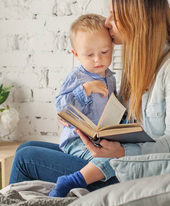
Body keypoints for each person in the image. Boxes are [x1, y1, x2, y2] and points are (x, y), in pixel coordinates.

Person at [9, 0, 170, 195]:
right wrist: (79, 118)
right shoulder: (139, 66)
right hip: (117, 162)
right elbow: (120, 125)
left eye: (115, 15)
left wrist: (122, 151)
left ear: (137, 20)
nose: (107, 23)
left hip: (144, 174)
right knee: (25, 148)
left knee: (25, 159)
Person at [49, 14, 118, 197]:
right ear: (76, 54)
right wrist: (85, 89)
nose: (98, 60)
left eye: (104, 52)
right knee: (112, 161)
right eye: (89, 55)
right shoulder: (77, 78)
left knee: (123, 156)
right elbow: (61, 107)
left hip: (100, 138)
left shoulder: (110, 77)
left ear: (112, 47)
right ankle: (71, 182)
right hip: (77, 141)